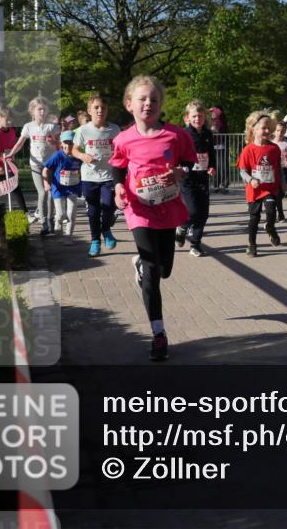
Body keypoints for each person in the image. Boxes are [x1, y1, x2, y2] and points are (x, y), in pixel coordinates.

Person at [111, 75, 197, 362]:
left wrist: (179, 172)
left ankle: (142, 264)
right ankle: (158, 334)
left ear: (161, 106)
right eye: (142, 98)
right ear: (129, 104)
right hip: (138, 208)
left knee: (164, 270)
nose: (148, 103)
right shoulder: (123, 138)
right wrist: (119, 187)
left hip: (167, 206)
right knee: (152, 271)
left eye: (154, 99)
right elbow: (118, 167)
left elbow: (187, 160)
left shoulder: (175, 135)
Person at [73, 94, 122, 256]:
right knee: (93, 211)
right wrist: (83, 156)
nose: (100, 110)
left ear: (107, 110)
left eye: (103, 107)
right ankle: (95, 240)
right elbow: (74, 149)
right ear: (89, 110)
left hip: (109, 175)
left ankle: (106, 229)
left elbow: (121, 148)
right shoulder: (83, 130)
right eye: (96, 107)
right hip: (89, 177)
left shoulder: (114, 129)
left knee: (109, 206)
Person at [7, 97, 60, 236]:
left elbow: (59, 145)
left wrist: (53, 142)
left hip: (50, 164)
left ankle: (50, 220)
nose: (42, 112)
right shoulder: (28, 127)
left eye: (44, 109)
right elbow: (20, 143)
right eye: (39, 109)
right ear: (32, 112)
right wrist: (11, 153)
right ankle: (43, 223)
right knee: (42, 192)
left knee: (50, 193)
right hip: (35, 164)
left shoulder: (52, 126)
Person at [238, 110, 283, 257]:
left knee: (271, 210)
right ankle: (252, 244)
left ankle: (270, 228)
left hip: (269, 188)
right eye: (263, 127)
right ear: (254, 129)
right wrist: (251, 180)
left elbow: (278, 168)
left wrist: (283, 183)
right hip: (254, 189)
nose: (267, 130)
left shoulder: (274, 148)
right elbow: (242, 171)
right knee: (254, 218)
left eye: (269, 127)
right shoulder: (248, 149)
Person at [178, 100, 216, 257]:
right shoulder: (184, 134)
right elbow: (177, 153)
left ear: (204, 117)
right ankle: (182, 227)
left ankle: (195, 244)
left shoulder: (208, 134)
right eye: (194, 116)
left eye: (200, 116)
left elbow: (211, 153)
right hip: (187, 178)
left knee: (203, 213)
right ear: (187, 117)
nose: (197, 119)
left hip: (202, 178)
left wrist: (213, 166)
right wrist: (179, 166)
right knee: (192, 211)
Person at [42, 131, 83, 244]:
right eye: (66, 143)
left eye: (71, 143)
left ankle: (68, 237)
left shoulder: (78, 156)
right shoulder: (57, 155)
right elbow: (45, 169)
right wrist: (46, 183)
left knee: (71, 214)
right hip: (58, 188)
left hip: (73, 188)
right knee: (60, 214)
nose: (69, 145)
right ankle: (57, 223)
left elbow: (84, 170)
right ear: (61, 144)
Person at [0, 106, 27, 210]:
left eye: (11, 119)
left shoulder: (12, 131)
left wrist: (12, 157)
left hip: (7, 165)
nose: (9, 122)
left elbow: (11, 147)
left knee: (15, 187)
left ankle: (25, 212)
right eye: (7, 119)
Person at [273, 120, 287, 220]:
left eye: (282, 131)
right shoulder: (271, 143)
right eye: (277, 130)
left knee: (281, 192)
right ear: (274, 131)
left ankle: (276, 210)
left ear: (285, 131)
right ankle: (280, 214)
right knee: (276, 193)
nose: (279, 133)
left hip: (284, 169)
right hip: (273, 170)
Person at [209, 105, 229, 192]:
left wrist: (211, 109)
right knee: (214, 166)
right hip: (213, 146)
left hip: (221, 146)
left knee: (222, 166)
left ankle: (224, 184)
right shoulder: (210, 122)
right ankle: (216, 185)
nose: (212, 113)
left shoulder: (221, 120)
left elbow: (219, 112)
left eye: (214, 112)